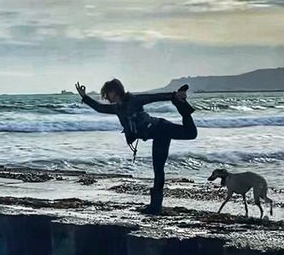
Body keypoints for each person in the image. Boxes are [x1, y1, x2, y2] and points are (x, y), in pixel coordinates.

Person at [76, 78, 197, 215]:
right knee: (158, 169)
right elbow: (100, 108)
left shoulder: (133, 100)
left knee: (191, 133)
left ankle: (181, 103)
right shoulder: (117, 108)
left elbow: (153, 97)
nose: (106, 97)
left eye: (107, 93)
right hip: (157, 134)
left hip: (162, 128)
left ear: (115, 91)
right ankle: (155, 206)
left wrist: (173, 95)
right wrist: (84, 97)